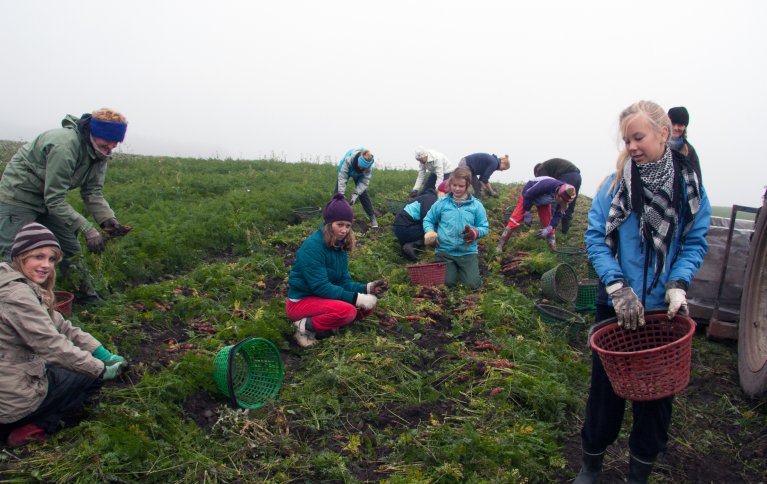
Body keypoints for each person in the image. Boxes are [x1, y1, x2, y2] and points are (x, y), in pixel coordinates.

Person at [574, 101, 710, 484]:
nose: (631, 146)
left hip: (661, 312)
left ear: (663, 133)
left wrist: (678, 283)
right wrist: (616, 286)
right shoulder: (615, 186)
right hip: (617, 305)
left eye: (638, 137)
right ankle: (591, 464)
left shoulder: (689, 188)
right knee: (606, 391)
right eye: (626, 140)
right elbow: (596, 238)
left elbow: (694, 242)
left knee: (655, 397)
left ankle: (639, 473)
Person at [0, 223, 127, 448]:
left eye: (51, 259)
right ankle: (33, 427)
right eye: (38, 256)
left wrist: (101, 352)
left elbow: (61, 325)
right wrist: (100, 369)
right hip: (11, 401)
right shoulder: (16, 295)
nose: (46, 265)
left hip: (8, 380)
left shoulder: (13, 282)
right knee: (84, 376)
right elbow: (51, 345)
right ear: (20, 256)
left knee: (67, 365)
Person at [0, 108, 133, 303]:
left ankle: (85, 296)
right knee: (14, 253)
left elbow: (92, 192)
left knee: (69, 247)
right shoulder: (64, 145)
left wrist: (108, 220)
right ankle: (15, 304)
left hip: (47, 200)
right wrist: (88, 229)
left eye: (115, 143)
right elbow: (54, 198)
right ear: (93, 134)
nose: (111, 147)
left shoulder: (100, 153)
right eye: (107, 142)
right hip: (18, 196)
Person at [286, 193, 389, 348]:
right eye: (339, 224)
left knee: (368, 306)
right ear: (329, 224)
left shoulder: (338, 246)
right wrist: (356, 298)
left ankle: (326, 326)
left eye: (348, 226)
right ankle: (303, 327)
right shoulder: (313, 247)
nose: (344, 230)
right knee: (347, 311)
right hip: (302, 301)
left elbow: (342, 281)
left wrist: (366, 288)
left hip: (322, 298)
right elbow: (320, 287)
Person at [422, 168, 489, 289]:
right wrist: (430, 233)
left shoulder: (476, 205)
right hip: (445, 252)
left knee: (472, 285)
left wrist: (475, 233)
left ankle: (464, 271)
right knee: (447, 283)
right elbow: (428, 220)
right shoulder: (442, 203)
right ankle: (452, 271)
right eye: (454, 185)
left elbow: (484, 227)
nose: (457, 189)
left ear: (467, 186)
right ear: (450, 184)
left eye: (461, 186)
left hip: (467, 252)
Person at [495, 176, 576, 253]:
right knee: (515, 220)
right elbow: (528, 194)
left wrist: (549, 228)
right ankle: (500, 246)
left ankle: (553, 250)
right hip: (529, 195)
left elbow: (558, 215)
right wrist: (527, 211)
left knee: (548, 223)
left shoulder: (565, 200)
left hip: (544, 201)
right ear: (558, 195)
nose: (563, 203)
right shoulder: (547, 184)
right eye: (562, 201)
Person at [533, 158, 582, 234]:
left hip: (567, 176)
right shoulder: (551, 166)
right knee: (570, 201)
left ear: (536, 171)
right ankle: (565, 229)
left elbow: (544, 184)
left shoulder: (540, 169)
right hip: (577, 177)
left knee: (556, 199)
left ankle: (548, 226)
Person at [336, 147, 378, 228]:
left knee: (363, 194)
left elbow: (363, 183)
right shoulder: (348, 160)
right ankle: (334, 218)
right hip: (346, 170)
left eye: (363, 168)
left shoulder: (368, 168)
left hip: (359, 176)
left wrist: (354, 196)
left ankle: (372, 217)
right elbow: (342, 178)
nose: (361, 169)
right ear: (358, 161)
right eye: (360, 166)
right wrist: (341, 194)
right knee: (337, 194)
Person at [393, 188, 438, 261]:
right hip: (406, 228)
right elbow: (427, 220)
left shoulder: (426, 197)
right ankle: (413, 245)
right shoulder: (430, 199)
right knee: (435, 231)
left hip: (402, 226)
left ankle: (409, 249)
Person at [667, 106, 701, 181]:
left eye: (680, 125)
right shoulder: (657, 144)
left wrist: (683, 160)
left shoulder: (690, 150)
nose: (676, 128)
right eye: (673, 123)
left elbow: (697, 180)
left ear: (685, 127)